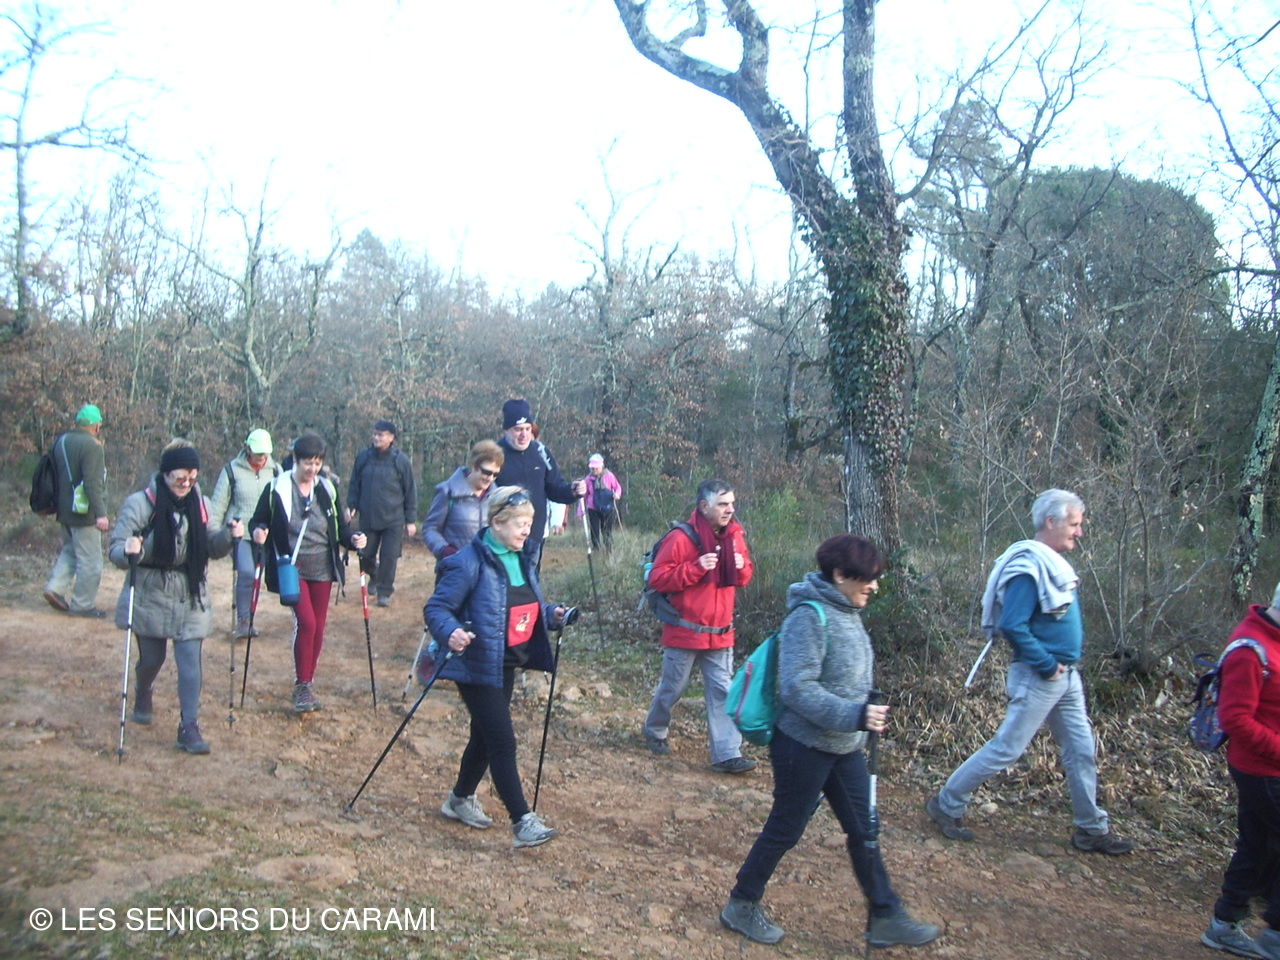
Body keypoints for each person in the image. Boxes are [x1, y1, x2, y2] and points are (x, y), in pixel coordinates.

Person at [720, 534, 940, 949]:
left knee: (864, 830)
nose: (874, 586)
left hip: (844, 747)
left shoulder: (848, 610)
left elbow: (843, 677)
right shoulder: (808, 616)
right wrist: (854, 714)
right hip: (802, 746)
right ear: (840, 574)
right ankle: (741, 904)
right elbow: (797, 689)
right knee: (786, 827)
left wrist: (862, 709)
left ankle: (885, 915)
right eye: (867, 578)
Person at [926, 488, 1134, 854]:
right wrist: (1047, 665)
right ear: (1050, 522)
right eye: (1074, 524)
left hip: (1067, 678)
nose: (1080, 532)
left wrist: (1059, 668)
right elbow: (1013, 625)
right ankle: (946, 803)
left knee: (1081, 750)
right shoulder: (1027, 567)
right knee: (1007, 749)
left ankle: (1091, 829)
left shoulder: (1050, 563)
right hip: (1041, 676)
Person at [424, 486, 574, 848]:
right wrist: (451, 632)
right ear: (496, 523)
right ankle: (522, 821)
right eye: (520, 523)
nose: (527, 530)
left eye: (529, 522)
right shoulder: (467, 562)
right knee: (502, 740)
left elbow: (521, 606)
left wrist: (550, 614)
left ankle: (459, 799)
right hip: (474, 663)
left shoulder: (522, 558)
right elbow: (436, 609)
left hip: (506, 662)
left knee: (484, 736)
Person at [109, 440, 241, 754]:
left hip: (190, 591)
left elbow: (211, 545)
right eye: (180, 478)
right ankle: (143, 689)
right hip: (151, 592)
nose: (186, 484)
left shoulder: (202, 505)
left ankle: (189, 726)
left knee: (190, 663)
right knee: (152, 659)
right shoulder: (140, 504)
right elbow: (115, 550)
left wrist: (229, 536)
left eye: (192, 478)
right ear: (166, 474)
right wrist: (131, 550)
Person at [642, 478, 756, 773]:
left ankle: (727, 754)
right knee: (672, 689)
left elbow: (744, 576)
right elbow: (657, 579)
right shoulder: (681, 538)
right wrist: (695, 568)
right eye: (723, 504)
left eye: (732, 503)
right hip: (684, 632)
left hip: (721, 634)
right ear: (704, 506)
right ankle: (655, 730)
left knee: (722, 693)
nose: (730, 509)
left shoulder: (735, 536)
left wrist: (742, 569)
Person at [251, 432, 366, 714]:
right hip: (292, 567)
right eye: (307, 463)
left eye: (317, 463)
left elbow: (340, 529)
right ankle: (302, 684)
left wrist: (353, 539)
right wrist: (258, 531)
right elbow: (258, 519)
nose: (312, 469)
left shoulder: (327, 488)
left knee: (319, 626)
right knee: (307, 623)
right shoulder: (276, 488)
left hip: (324, 567)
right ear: (295, 459)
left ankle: (307, 683)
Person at [1199, 584, 1280, 959]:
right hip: (1262, 771)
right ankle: (1273, 936)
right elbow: (1235, 718)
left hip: (1269, 767)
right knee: (1258, 844)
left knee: (1257, 845)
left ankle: (1225, 925)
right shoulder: (1251, 650)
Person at [493, 398, 583, 570]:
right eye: (518, 429)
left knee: (531, 580)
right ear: (506, 430)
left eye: (527, 429)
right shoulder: (494, 454)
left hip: (534, 535)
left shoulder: (541, 452)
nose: (524, 435)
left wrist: (573, 491)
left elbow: (555, 488)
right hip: (503, 537)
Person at [208, 429, 281, 638]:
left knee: (257, 576)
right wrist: (214, 533)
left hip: (264, 534)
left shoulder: (276, 471)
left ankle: (250, 618)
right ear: (247, 449)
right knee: (247, 572)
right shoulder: (231, 470)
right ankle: (243, 621)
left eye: (265, 452)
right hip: (239, 534)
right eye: (258, 452)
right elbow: (218, 505)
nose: (262, 456)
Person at [43, 403, 110, 618]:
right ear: (96, 426)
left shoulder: (61, 441)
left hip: (63, 510)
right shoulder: (93, 446)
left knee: (70, 550)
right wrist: (100, 514)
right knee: (91, 561)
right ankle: (82, 605)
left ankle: (55, 588)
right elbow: (92, 483)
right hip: (83, 513)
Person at [346, 419, 417, 607]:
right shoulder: (363, 458)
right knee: (365, 555)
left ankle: (384, 592)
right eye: (375, 434)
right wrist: (351, 505)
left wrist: (410, 520)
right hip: (368, 517)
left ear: (391, 437)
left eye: (381, 435)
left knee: (389, 557)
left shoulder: (400, 461)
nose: (376, 438)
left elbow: (410, 490)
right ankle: (374, 575)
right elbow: (354, 484)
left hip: (394, 519)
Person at [422, 440, 503, 565]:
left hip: (486, 568)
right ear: (474, 466)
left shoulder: (497, 497)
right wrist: (445, 550)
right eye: (486, 472)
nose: (490, 478)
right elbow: (430, 528)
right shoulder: (448, 492)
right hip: (454, 567)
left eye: (495, 474)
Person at [577, 453, 622, 551]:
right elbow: (584, 496)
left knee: (607, 531)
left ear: (601, 466)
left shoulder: (609, 476)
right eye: (592, 468)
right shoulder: (588, 479)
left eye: (596, 468)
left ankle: (608, 551)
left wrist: (617, 494)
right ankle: (596, 551)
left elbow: (617, 487)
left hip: (608, 508)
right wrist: (580, 511)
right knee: (594, 532)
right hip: (593, 509)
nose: (594, 470)